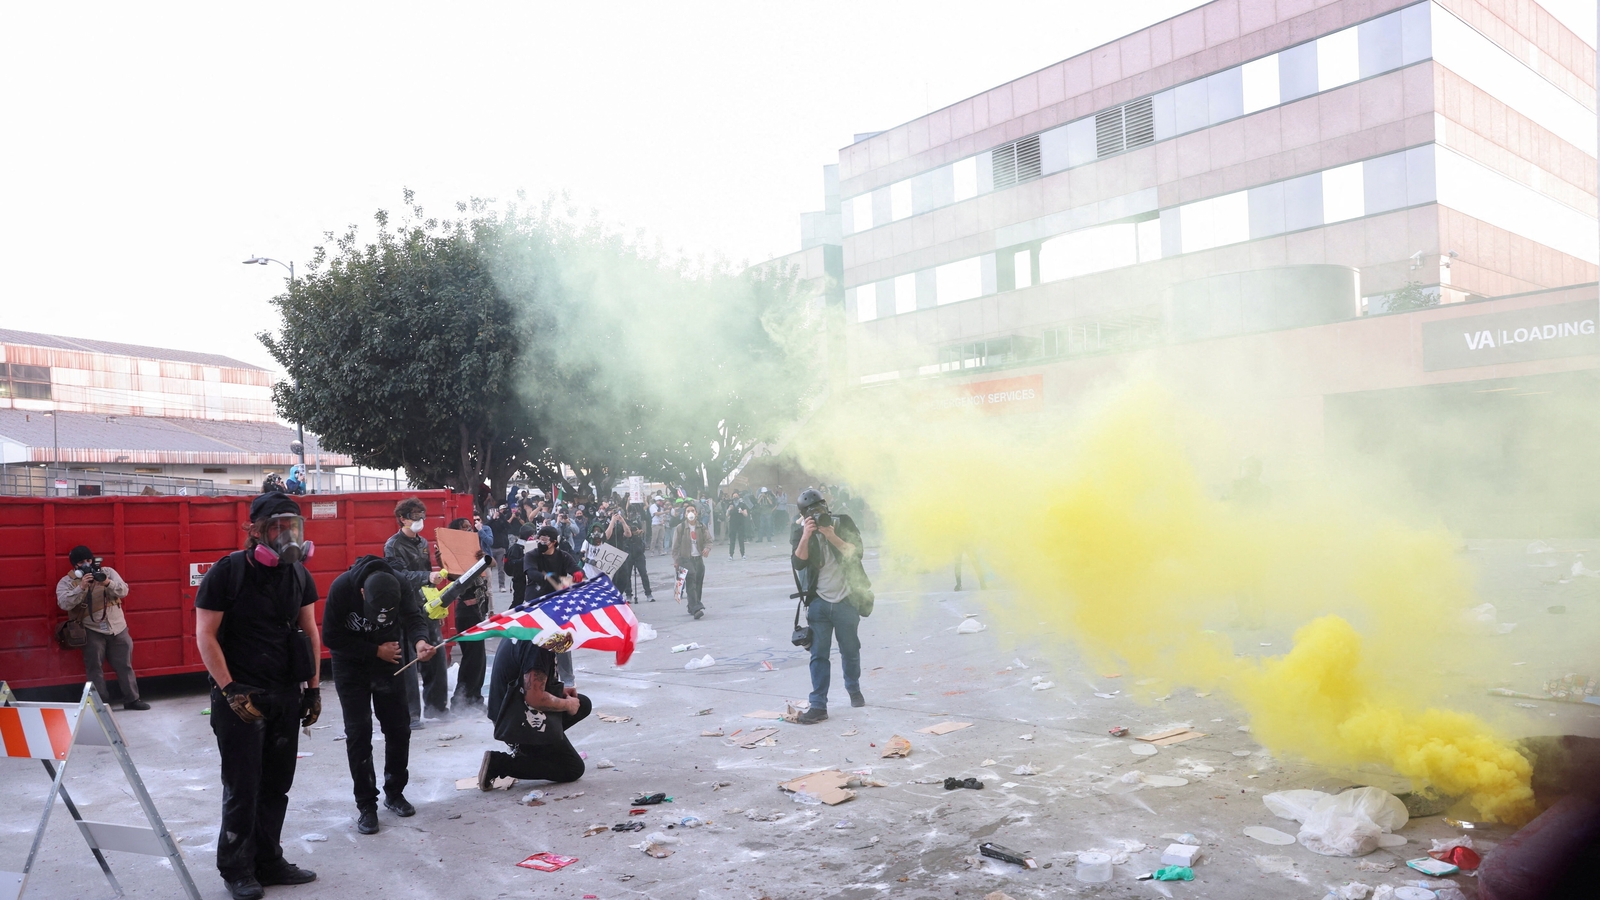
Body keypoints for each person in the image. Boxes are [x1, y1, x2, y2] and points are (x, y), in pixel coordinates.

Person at [194, 492, 320, 900]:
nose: (287, 536)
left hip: (284, 694)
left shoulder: (298, 574)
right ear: (254, 531)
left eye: (292, 527)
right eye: (276, 527)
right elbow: (205, 635)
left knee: (276, 785)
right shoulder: (227, 573)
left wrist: (314, 689)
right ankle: (237, 868)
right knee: (242, 786)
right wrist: (229, 690)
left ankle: (269, 860)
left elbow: (310, 631)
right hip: (241, 698)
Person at [321, 556, 433, 834]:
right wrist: (374, 651)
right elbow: (331, 637)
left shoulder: (400, 583)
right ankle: (366, 805)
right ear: (362, 594)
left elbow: (413, 617)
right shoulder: (342, 588)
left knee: (398, 728)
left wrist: (420, 641)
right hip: (351, 665)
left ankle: (394, 793)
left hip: (389, 662)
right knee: (359, 733)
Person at [791, 488, 869, 725]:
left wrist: (830, 533)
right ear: (804, 516)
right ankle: (818, 705)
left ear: (827, 507)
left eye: (820, 509)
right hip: (818, 603)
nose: (817, 515)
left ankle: (853, 688)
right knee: (819, 655)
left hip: (847, 599)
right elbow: (798, 563)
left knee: (850, 650)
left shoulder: (842, 522)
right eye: (811, 513)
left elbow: (856, 554)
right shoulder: (800, 531)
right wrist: (806, 535)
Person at [477, 629, 592, 787]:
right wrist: (567, 704)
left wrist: (560, 693)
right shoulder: (539, 646)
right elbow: (534, 699)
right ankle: (500, 763)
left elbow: (525, 682)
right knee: (572, 768)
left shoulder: (528, 629)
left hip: (509, 708)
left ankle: (535, 748)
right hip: (514, 722)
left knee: (582, 704)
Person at [55, 545, 148, 710]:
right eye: (81, 562)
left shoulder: (108, 572)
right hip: (91, 630)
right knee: (94, 668)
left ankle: (132, 699)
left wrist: (106, 582)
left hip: (118, 627)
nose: (86, 564)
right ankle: (102, 704)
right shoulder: (67, 581)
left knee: (125, 665)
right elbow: (64, 603)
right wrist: (81, 587)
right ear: (75, 565)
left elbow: (124, 590)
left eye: (88, 560)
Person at [384, 497, 447, 728]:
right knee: (409, 660)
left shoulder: (423, 543)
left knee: (436, 654)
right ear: (402, 518)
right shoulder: (392, 545)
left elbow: (428, 572)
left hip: (427, 605)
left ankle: (438, 708)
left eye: (423, 515)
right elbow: (398, 576)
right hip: (405, 607)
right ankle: (411, 714)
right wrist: (426, 577)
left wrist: (438, 570)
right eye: (415, 516)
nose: (420, 520)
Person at [444, 517, 491, 713]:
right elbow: (454, 578)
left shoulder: (475, 550)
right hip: (467, 610)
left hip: (478, 610)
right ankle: (461, 700)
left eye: (469, 527)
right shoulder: (450, 553)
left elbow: (492, 563)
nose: (469, 530)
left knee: (478, 658)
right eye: (464, 528)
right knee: (472, 657)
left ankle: (474, 698)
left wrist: (482, 557)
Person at [671, 502, 712, 619]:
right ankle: (696, 608)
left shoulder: (701, 526)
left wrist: (707, 549)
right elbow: (675, 546)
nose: (690, 513)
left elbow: (709, 540)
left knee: (698, 583)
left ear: (697, 513)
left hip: (698, 559)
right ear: (685, 515)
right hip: (685, 559)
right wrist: (676, 560)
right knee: (691, 580)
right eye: (688, 511)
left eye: (692, 511)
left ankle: (692, 605)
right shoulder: (681, 528)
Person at [488, 506, 511, 592]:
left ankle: (502, 585)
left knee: (501, 568)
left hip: (501, 548)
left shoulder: (502, 522)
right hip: (491, 548)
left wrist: (501, 516)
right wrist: (493, 518)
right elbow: (487, 525)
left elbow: (508, 526)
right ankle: (488, 586)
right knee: (488, 569)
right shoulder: (491, 523)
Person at [726, 491, 750, 559]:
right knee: (732, 540)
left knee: (741, 539)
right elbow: (727, 515)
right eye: (734, 496)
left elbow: (746, 514)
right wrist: (729, 509)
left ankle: (743, 554)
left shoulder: (742, 504)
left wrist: (742, 512)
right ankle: (731, 555)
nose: (735, 497)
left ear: (739, 497)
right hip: (732, 524)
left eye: (736, 496)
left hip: (740, 524)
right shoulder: (730, 504)